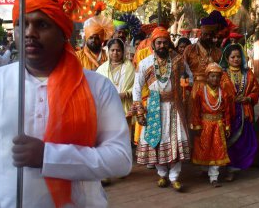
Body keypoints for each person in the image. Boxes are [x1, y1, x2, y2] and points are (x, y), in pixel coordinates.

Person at [0, 0, 132, 208]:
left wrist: (48, 156)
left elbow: (121, 159)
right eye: (21, 24)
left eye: (42, 24)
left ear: (63, 33)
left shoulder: (97, 87)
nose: (29, 33)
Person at [131, 27, 191, 192]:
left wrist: (186, 81)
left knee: (176, 139)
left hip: (174, 105)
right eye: (159, 42)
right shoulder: (145, 63)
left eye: (165, 42)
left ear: (169, 43)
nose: (162, 45)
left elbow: (190, 77)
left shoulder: (179, 60)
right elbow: (136, 88)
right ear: (153, 44)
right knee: (156, 139)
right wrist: (139, 109)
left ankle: (174, 177)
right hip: (154, 105)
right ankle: (162, 174)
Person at [219, 44, 259, 181]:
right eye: (232, 57)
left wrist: (248, 98)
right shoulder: (222, 75)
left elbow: (257, 90)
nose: (236, 59)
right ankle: (226, 167)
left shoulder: (248, 73)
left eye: (238, 56)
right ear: (227, 58)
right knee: (228, 140)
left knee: (243, 141)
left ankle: (234, 168)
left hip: (244, 112)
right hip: (228, 112)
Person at [191, 63, 231, 187]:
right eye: (212, 76)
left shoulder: (223, 93)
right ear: (207, 77)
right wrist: (197, 126)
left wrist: (227, 126)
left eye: (217, 77)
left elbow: (227, 111)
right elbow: (196, 110)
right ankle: (205, 170)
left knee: (217, 150)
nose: (215, 79)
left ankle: (214, 177)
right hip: (205, 125)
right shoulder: (200, 92)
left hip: (218, 125)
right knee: (205, 148)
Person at [183, 16, 222, 122]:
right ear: (201, 34)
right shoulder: (189, 50)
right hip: (193, 89)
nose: (208, 37)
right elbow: (183, 71)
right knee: (194, 119)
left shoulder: (218, 52)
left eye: (211, 35)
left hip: (213, 90)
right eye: (206, 34)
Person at [96, 38, 135, 135]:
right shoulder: (102, 69)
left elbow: (137, 86)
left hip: (125, 107)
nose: (115, 53)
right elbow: (96, 87)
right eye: (112, 50)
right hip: (107, 107)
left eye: (118, 50)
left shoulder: (129, 67)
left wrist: (125, 94)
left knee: (124, 137)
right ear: (108, 51)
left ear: (123, 52)